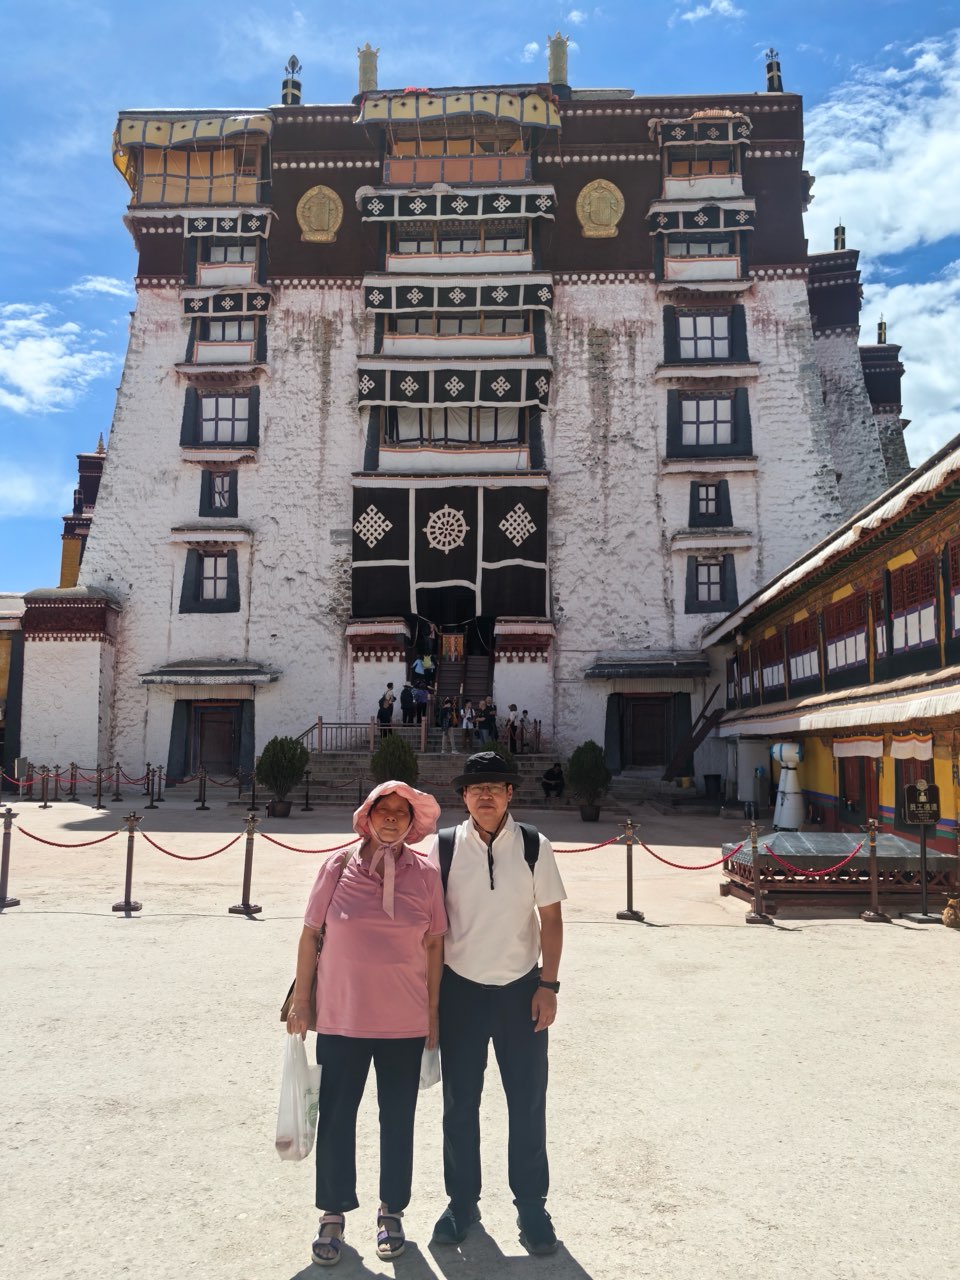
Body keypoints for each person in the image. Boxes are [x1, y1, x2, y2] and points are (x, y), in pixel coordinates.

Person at [286, 781, 446, 1267]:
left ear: (413, 823)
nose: (392, 818)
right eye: (384, 810)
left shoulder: (425, 874)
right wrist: (301, 1001)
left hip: (404, 1019)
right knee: (337, 1117)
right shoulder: (338, 866)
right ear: (367, 816)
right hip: (343, 1017)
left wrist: (433, 1013)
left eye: (401, 812)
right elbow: (311, 933)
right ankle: (332, 1213)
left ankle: (391, 1210)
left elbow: (434, 943)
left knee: (397, 1118)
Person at [427, 752, 566, 1256]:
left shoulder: (533, 844)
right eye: (475, 787)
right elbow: (428, 927)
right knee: (460, 1104)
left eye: (495, 786)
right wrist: (429, 1003)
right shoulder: (443, 846)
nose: (485, 795)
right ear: (463, 796)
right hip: (460, 991)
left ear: (510, 793)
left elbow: (551, 918)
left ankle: (531, 1205)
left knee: (527, 1101)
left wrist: (549, 985)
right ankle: (462, 1204)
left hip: (520, 992)